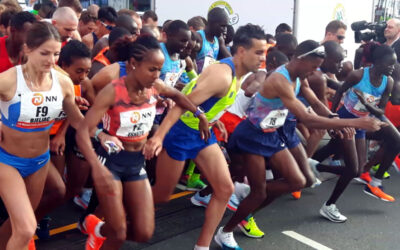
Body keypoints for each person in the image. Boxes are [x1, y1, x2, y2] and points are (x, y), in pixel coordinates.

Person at [213, 40, 383, 249]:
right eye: (313, 66)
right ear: (301, 58)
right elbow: (307, 118)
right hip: (252, 135)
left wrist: (332, 117)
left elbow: (312, 100)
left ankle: (246, 196)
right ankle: (226, 231)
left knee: (299, 181)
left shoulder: (299, 75)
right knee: (261, 192)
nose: (315, 71)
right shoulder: (280, 80)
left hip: (271, 133)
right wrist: (355, 122)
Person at [75, 34, 209, 250]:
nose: (157, 75)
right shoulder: (113, 91)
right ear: (133, 64)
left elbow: (179, 96)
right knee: (117, 233)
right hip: (109, 162)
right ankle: (100, 233)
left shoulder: (155, 86)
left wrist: (200, 114)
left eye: (159, 69)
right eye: (152, 69)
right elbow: (83, 131)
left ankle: (96, 228)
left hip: (136, 162)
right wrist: (95, 166)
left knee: (143, 232)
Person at [144, 23, 267, 250]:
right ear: (241, 51)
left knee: (225, 189)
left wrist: (214, 117)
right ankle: (120, 212)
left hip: (202, 132)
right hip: (179, 132)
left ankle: (202, 246)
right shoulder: (222, 75)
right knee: (161, 195)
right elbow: (180, 104)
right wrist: (158, 137)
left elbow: (207, 101)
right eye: (258, 52)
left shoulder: (238, 74)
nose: (262, 58)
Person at [0, 21, 85, 250]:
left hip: (39, 162)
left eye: (56, 54)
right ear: (27, 49)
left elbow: (78, 120)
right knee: (27, 228)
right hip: (7, 161)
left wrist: (101, 134)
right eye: (45, 53)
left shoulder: (63, 82)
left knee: (21, 223)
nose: (51, 60)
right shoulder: (8, 80)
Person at [312, 44, 396, 223]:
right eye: (389, 64)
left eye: (394, 65)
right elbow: (340, 92)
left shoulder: (387, 82)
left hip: (360, 125)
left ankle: (313, 166)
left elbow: (380, 110)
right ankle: (328, 205)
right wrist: (333, 118)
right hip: (345, 122)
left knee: (350, 165)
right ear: (377, 62)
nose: (392, 68)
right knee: (353, 168)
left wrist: (366, 104)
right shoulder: (358, 75)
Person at [196, 7, 231, 73]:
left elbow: (229, 60)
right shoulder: (198, 37)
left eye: (226, 26)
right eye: (222, 26)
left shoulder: (219, 40)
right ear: (211, 22)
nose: (225, 30)